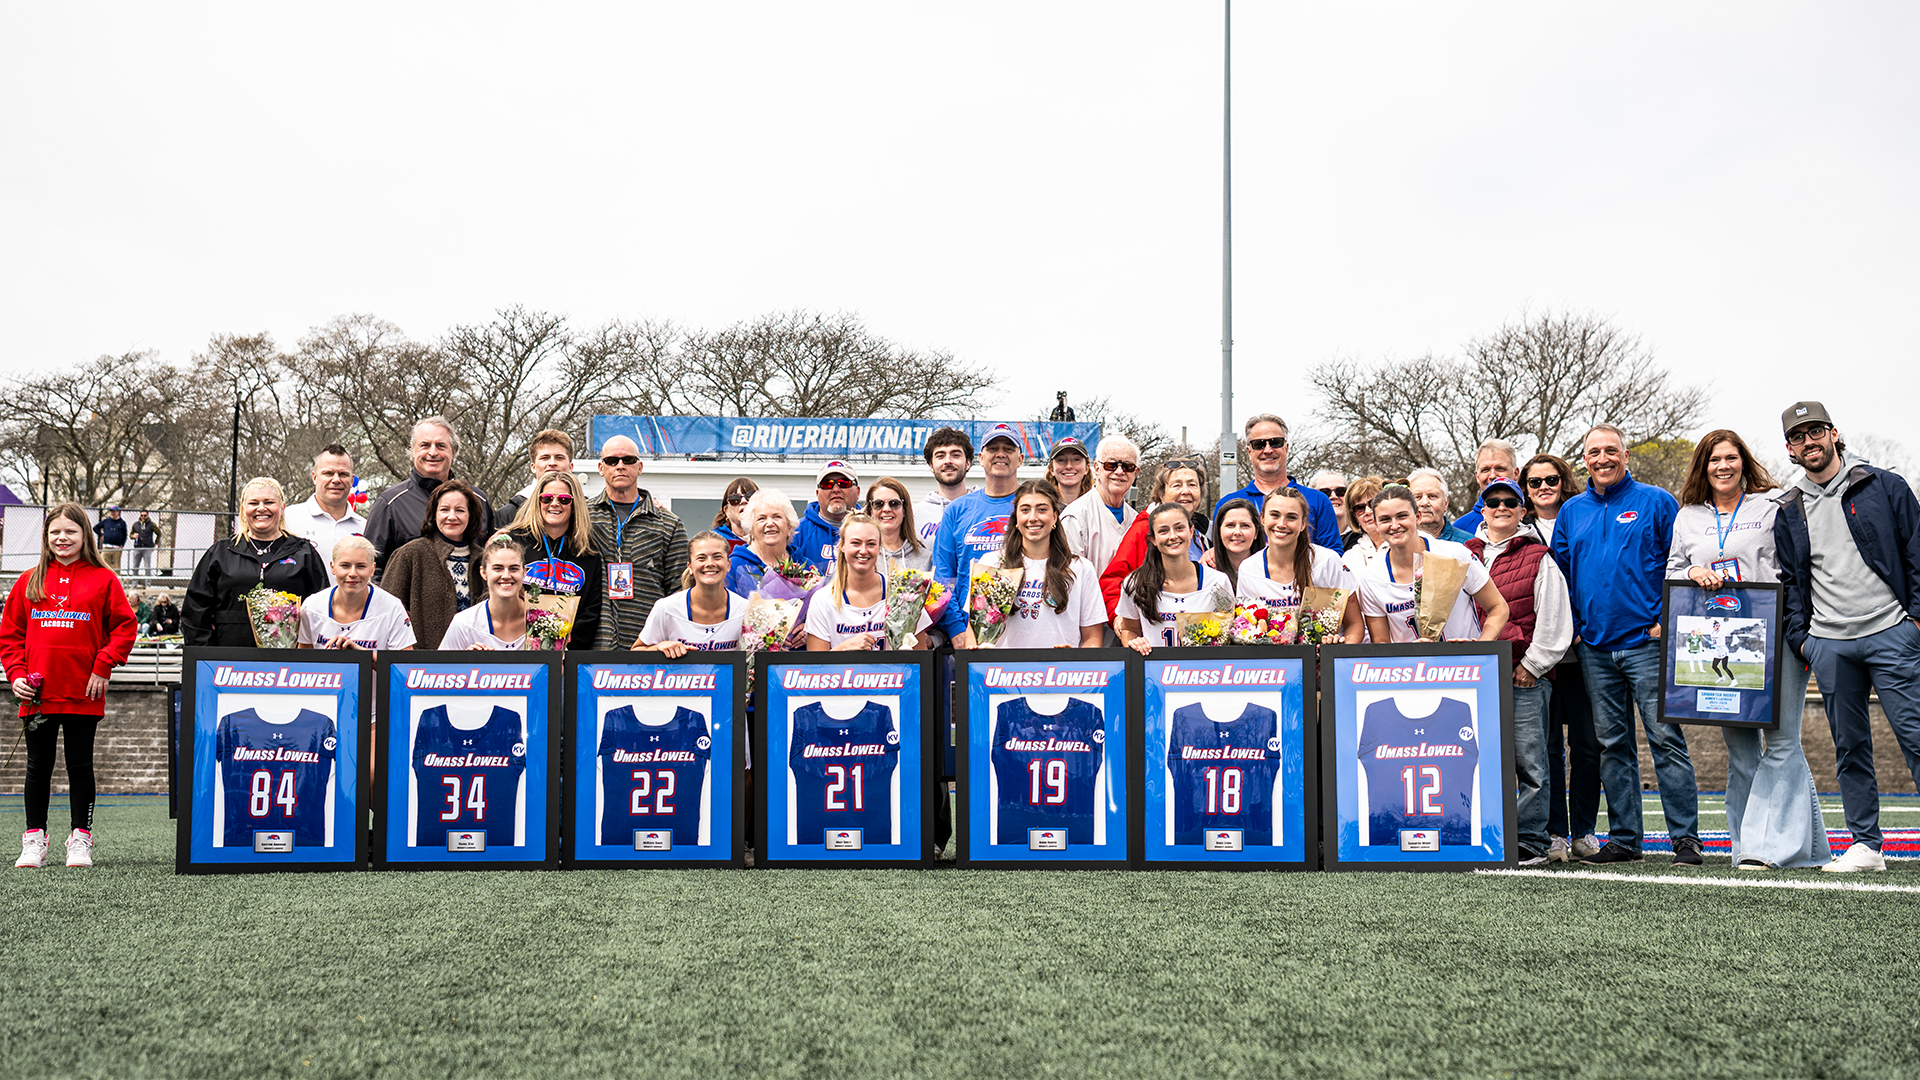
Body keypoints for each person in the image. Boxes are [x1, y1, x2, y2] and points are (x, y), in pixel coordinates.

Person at [1774, 401, 1920, 873]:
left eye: (1816, 431)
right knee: (1850, 746)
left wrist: (1914, 620)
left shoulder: (1884, 485)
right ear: (1790, 449)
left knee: (1915, 736)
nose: (1808, 442)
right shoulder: (1789, 507)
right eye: (1798, 437)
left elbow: (1916, 550)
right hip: (1830, 643)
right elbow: (1792, 582)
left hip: (1891, 632)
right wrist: (1803, 639)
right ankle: (1866, 847)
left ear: (1834, 434)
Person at [1551, 424, 1698, 867]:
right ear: (1585, 459)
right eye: (1593, 452)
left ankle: (1686, 841)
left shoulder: (1656, 501)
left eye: (1610, 450)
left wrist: (1664, 622)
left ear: (1626, 454)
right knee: (1612, 744)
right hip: (1595, 648)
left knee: (1665, 740)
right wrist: (1575, 625)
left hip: (1646, 644)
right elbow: (1560, 576)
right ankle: (1625, 839)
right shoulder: (1572, 511)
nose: (1602, 459)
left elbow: (1683, 562)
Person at [3, 503, 137, 868]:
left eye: (70, 532)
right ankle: (34, 838)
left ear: (86, 536)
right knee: (38, 765)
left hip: (84, 690)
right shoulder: (29, 579)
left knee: (79, 765)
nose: (62, 538)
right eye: (55, 533)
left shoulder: (103, 579)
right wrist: (16, 674)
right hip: (39, 695)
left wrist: (103, 665)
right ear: (46, 538)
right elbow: (10, 635)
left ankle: (80, 838)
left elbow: (125, 628)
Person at [1465, 476, 1573, 866]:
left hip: (1519, 674)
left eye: (1510, 502)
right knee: (1471, 757)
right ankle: (1478, 833)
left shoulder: (1538, 555)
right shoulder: (1461, 553)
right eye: (1492, 502)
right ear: (1482, 509)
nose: (1501, 508)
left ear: (1522, 510)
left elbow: (1555, 617)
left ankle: (1529, 840)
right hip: (1471, 677)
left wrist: (1533, 665)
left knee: (1530, 761)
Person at [1520, 452, 1599, 861]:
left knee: (1587, 744)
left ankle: (1584, 829)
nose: (1544, 487)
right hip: (1541, 655)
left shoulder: (1583, 516)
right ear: (1525, 489)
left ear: (1564, 480)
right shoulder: (1516, 528)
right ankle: (1553, 832)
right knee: (1546, 748)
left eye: (1551, 479)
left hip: (1585, 648)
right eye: (1534, 482)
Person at [182, 478, 329, 647]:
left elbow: (321, 608)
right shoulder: (221, 553)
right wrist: (206, 655)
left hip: (289, 662)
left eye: (269, 502)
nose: (261, 508)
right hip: (229, 659)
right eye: (253, 503)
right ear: (244, 509)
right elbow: (196, 610)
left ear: (282, 508)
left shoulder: (303, 552)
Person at [1356, 485, 1509, 644]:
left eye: (1402, 516)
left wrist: (1480, 646)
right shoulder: (1370, 577)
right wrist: (1410, 655)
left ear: (1418, 517)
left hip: (1466, 666)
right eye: (1385, 519)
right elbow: (1381, 643)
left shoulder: (1455, 554)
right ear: (1376, 523)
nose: (1394, 525)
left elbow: (1498, 608)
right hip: (1412, 668)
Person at [976, 481, 1106, 648]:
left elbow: (1093, 638)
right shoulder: (992, 564)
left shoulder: (1080, 568)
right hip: (1004, 672)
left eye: (1042, 509)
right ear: (1016, 518)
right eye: (1025, 510)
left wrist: (1074, 660)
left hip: (1061, 672)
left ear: (1054, 517)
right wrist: (981, 656)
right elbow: (974, 634)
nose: (1033, 517)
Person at [588, 435, 688, 651]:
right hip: (592, 644)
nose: (620, 466)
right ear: (601, 467)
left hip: (649, 647)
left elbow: (679, 593)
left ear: (640, 467)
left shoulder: (669, 523)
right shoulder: (582, 516)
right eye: (612, 461)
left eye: (629, 460)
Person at [931, 424, 1026, 648]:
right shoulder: (957, 510)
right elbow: (943, 577)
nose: (1000, 454)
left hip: (1022, 631)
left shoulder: (1033, 506)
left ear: (1020, 459)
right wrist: (956, 628)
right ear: (981, 458)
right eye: (993, 448)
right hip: (969, 634)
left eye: (1008, 448)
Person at [365, 416, 494, 576]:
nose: (433, 452)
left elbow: (494, 561)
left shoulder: (478, 500)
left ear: (453, 451)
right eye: (425, 445)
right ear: (413, 451)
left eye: (441, 446)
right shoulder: (390, 504)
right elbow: (370, 569)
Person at [1237, 489, 1363, 642]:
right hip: (1279, 663)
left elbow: (1355, 624)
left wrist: (1336, 653)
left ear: (1303, 523)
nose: (1281, 524)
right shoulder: (1249, 569)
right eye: (1275, 515)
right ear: (1262, 518)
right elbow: (1246, 631)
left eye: (1291, 517)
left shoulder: (1328, 561)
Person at [377, 479, 489, 649]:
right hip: (422, 666)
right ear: (433, 513)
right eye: (444, 509)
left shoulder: (484, 560)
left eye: (460, 510)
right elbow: (386, 612)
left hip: (474, 665)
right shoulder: (411, 554)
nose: (452, 516)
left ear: (470, 515)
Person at [1115, 503, 1234, 654]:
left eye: (1179, 528)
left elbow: (1231, 632)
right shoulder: (1135, 583)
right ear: (1153, 539)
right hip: (1155, 674)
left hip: (1204, 673)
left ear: (1191, 532)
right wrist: (1134, 642)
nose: (1173, 536)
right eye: (1163, 531)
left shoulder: (1218, 582)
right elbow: (1129, 630)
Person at [504, 470, 604, 650]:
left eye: (564, 499)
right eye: (547, 498)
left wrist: (561, 644)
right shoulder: (516, 541)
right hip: (519, 648)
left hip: (571, 652)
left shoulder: (587, 551)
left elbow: (591, 609)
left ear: (574, 505)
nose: (554, 504)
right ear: (538, 502)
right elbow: (502, 595)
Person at [1212, 414, 1341, 552]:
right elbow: (1219, 555)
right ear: (1249, 452)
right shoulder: (1227, 504)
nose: (1268, 450)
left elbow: (1333, 555)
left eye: (1275, 442)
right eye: (1259, 444)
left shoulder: (1318, 500)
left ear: (1286, 448)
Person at [1098, 459, 1208, 621]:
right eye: (1177, 485)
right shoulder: (1145, 528)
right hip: (1154, 633)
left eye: (1192, 485)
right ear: (1162, 493)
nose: (1186, 491)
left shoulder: (1203, 532)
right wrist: (1120, 620)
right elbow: (1112, 580)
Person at [805, 515, 931, 651]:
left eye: (871, 544)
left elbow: (921, 660)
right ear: (842, 546)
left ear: (879, 548)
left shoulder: (903, 593)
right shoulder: (822, 600)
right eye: (856, 543)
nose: (863, 550)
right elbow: (815, 667)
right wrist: (844, 648)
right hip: (844, 673)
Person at [296, 536, 417, 652]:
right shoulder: (312, 606)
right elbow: (304, 662)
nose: (353, 573)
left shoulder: (392, 607)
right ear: (332, 567)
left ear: (372, 569)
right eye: (345, 566)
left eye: (361, 566)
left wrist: (362, 656)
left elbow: (404, 666)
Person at [638, 532, 749, 654]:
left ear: (728, 565)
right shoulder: (666, 608)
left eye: (717, 557)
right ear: (689, 567)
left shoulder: (745, 610)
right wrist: (658, 648)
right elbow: (636, 652)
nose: (710, 563)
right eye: (701, 558)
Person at [1062, 434, 1142, 582]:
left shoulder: (1137, 520)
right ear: (1097, 468)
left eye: (1128, 466)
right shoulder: (1075, 517)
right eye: (1111, 465)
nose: (1119, 472)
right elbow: (1070, 582)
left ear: (1136, 472)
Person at [286, 444, 367, 579]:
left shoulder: (364, 527)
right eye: (328, 473)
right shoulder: (289, 519)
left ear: (352, 480)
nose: (336, 480)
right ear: (314, 477)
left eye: (343, 474)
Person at [439, 535, 533, 650]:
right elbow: (443, 667)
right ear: (483, 572)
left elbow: (557, 667)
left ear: (524, 572)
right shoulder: (464, 623)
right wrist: (468, 663)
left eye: (514, 568)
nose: (506, 576)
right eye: (498, 568)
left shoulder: (544, 621)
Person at [791, 461, 861, 574]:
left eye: (844, 483)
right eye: (827, 484)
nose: (836, 489)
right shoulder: (796, 533)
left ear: (857, 492)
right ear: (818, 493)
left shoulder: (871, 530)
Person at [726, 488, 799, 596]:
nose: (770, 523)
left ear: (789, 527)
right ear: (750, 530)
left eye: (777, 517)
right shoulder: (734, 567)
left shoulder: (803, 566)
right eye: (761, 518)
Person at [914, 427, 977, 551]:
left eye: (956, 455)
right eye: (940, 456)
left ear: (968, 463)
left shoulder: (982, 508)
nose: (948, 461)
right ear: (931, 465)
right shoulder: (914, 515)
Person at [497, 429, 575, 525]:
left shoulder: (587, 510)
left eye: (559, 458)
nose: (552, 463)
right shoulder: (508, 514)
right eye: (545, 458)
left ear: (571, 467)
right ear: (533, 467)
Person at [1452, 439, 1520, 536]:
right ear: (1477, 477)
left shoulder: (1533, 522)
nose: (1492, 475)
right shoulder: (1461, 528)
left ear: (1516, 473)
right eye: (1485, 470)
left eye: (1500, 468)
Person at [866, 477, 929, 573]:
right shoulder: (861, 555)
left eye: (894, 503)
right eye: (878, 504)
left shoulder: (926, 558)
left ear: (904, 510)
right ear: (871, 510)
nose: (886, 509)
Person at [1209, 498, 1264, 594]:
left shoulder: (1269, 572)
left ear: (1256, 533)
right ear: (1219, 530)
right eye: (1230, 525)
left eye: (1245, 525)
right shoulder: (1207, 574)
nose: (1237, 532)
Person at [1407, 468, 1472, 543]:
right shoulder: (1395, 545)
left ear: (1446, 503)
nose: (1424, 503)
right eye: (1417, 497)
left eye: (1432, 496)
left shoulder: (1468, 544)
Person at [1341, 476, 1387, 565]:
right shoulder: (1350, 557)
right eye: (1359, 508)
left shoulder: (1408, 542)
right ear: (1354, 517)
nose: (1368, 512)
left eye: (1373, 504)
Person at [711, 478, 759, 553]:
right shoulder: (713, 542)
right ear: (726, 511)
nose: (743, 501)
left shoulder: (771, 540)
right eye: (735, 499)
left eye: (750, 497)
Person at [1044, 437, 1093, 505]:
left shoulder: (1097, 506)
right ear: (1051, 469)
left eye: (1076, 459)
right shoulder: (1042, 505)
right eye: (1061, 460)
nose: (1069, 466)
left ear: (1087, 468)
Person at [1310, 470, 1351, 536]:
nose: (1334, 496)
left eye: (1340, 491)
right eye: (1325, 493)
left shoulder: (1366, 537)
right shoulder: (1303, 540)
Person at [93, 507, 127, 572]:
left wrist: (122, 544)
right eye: (111, 512)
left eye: (114, 512)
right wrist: (101, 534)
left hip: (117, 548)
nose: (113, 513)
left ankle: (117, 580)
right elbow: (95, 528)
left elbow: (124, 535)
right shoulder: (106, 521)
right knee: (105, 564)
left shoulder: (122, 523)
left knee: (116, 565)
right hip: (107, 546)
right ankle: (106, 580)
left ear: (118, 512)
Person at [128, 510, 160, 575]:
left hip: (147, 547)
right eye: (141, 515)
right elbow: (130, 535)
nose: (143, 517)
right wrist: (133, 536)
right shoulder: (136, 524)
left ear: (147, 516)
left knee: (147, 567)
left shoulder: (152, 524)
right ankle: (134, 584)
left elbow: (159, 533)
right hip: (137, 547)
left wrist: (155, 543)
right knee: (135, 567)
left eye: (145, 515)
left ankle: (148, 584)